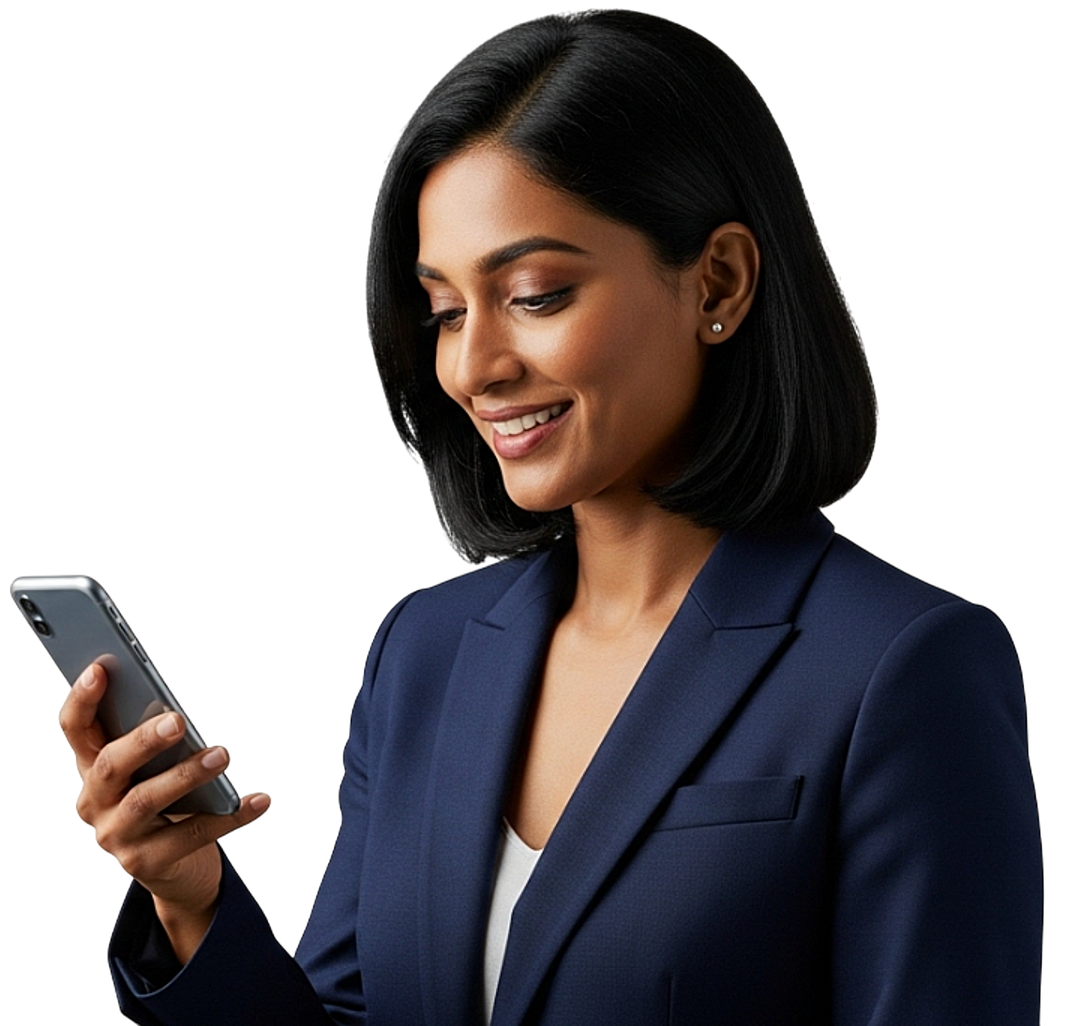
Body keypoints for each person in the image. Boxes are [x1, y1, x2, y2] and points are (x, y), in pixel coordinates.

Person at [57, 10, 1041, 1024]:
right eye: (445, 311)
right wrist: (191, 901)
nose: (472, 367)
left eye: (533, 294)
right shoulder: (424, 653)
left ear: (718, 280)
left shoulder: (900, 667)